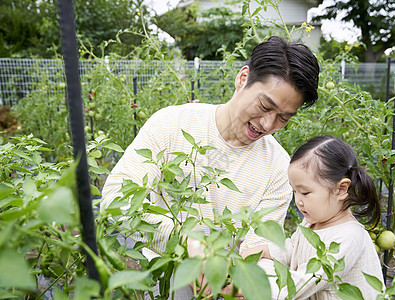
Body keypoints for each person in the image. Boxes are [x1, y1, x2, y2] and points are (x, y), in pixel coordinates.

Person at [100, 36, 319, 297]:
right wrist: (184, 240)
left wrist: (242, 282)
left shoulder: (279, 167)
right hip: (163, 279)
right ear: (242, 78)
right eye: (264, 106)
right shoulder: (172, 125)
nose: (268, 124)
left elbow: (259, 246)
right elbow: (116, 200)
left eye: (283, 117)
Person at [239, 135, 384, 299]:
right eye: (294, 191)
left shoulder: (349, 238)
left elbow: (302, 282)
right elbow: (295, 249)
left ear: (341, 189)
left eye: (305, 192)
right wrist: (266, 250)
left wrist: (246, 287)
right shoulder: (314, 221)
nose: (298, 201)